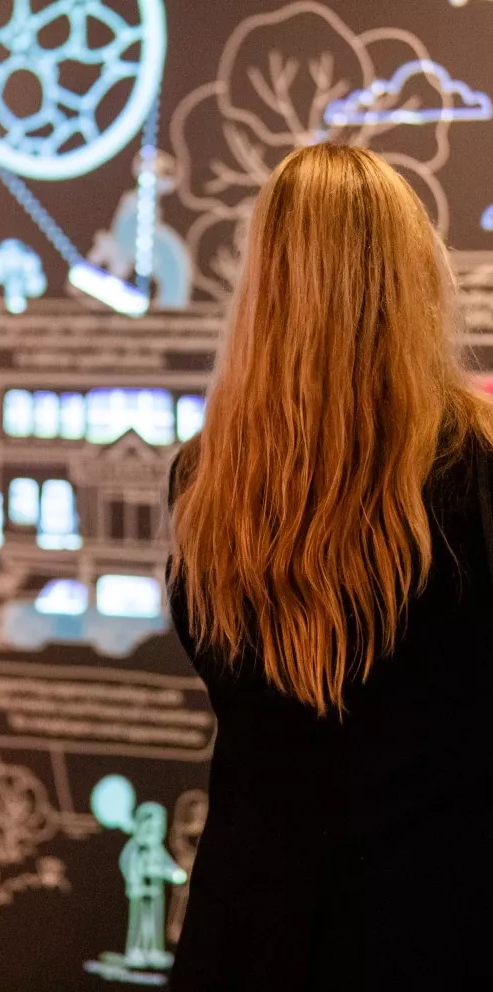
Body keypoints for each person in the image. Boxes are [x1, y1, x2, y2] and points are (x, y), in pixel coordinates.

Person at [166, 144, 493, 991]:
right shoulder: (477, 466)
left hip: (247, 930)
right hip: (438, 927)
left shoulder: (207, 480)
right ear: (415, 274)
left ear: (264, 285)